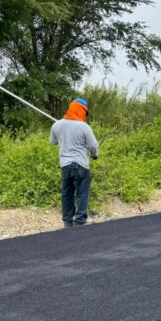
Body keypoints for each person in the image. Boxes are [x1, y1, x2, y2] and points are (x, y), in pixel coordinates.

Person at [50, 97, 99, 227]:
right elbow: (93, 146)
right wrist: (95, 155)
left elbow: (53, 141)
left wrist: (63, 135)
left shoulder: (57, 125)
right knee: (82, 193)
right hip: (81, 165)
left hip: (65, 166)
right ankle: (79, 222)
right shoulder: (84, 127)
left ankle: (67, 222)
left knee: (67, 193)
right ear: (82, 111)